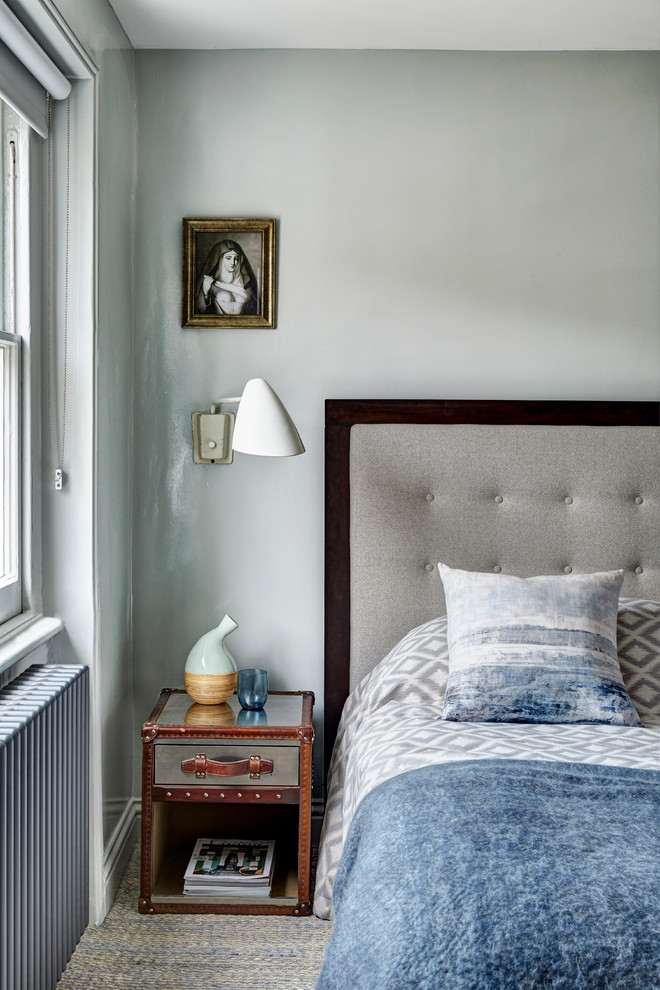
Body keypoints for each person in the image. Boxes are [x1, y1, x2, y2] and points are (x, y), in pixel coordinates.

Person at [195, 239, 259, 315]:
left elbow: (255, 307)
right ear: (220, 259)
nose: (233, 262)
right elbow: (201, 309)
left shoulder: (246, 280)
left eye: (236, 258)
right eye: (228, 258)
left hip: (243, 324)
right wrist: (206, 293)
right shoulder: (209, 281)